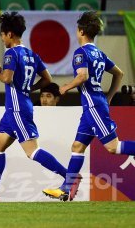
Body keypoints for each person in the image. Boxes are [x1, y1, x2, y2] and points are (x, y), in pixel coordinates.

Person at [0, 12, 68, 203]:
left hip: (17, 109)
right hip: (15, 108)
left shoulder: (11, 53)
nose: (2, 38)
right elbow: (47, 79)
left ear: (9, 34)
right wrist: (29, 88)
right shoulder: (32, 55)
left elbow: (7, 78)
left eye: (2, 35)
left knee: (32, 151)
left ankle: (70, 177)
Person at [43, 11, 135, 201]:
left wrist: (65, 87)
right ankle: (66, 189)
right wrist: (108, 96)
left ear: (82, 31)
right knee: (77, 146)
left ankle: (66, 187)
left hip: (93, 105)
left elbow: (83, 76)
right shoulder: (100, 54)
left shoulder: (81, 53)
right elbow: (119, 73)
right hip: (93, 105)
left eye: (77, 29)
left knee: (113, 147)